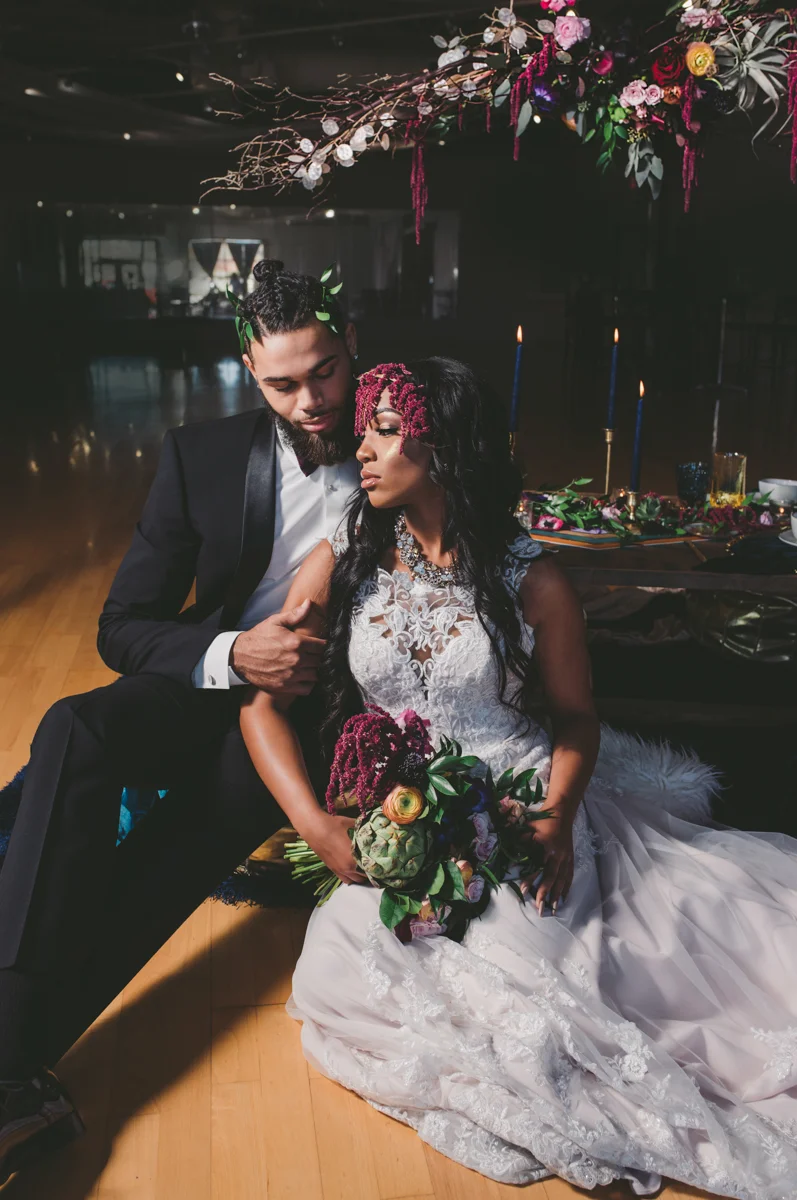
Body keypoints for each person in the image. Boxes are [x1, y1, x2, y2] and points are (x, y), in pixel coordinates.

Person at [239, 357, 797, 1199]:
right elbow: (258, 708)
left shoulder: (531, 579)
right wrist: (318, 827)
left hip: (517, 802)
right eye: (363, 429)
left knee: (538, 994)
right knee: (336, 964)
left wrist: (560, 815)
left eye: (385, 430)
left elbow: (575, 720)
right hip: (405, 817)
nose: (362, 447)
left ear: (445, 445)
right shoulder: (341, 562)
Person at [0, 259, 362, 1181]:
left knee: (178, 846)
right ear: (250, 370)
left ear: (347, 345)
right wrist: (234, 655)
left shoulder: (402, 437)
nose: (312, 398)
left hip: (321, 708)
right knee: (73, 731)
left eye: (323, 370)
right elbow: (121, 626)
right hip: (217, 672)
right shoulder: (199, 455)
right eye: (284, 382)